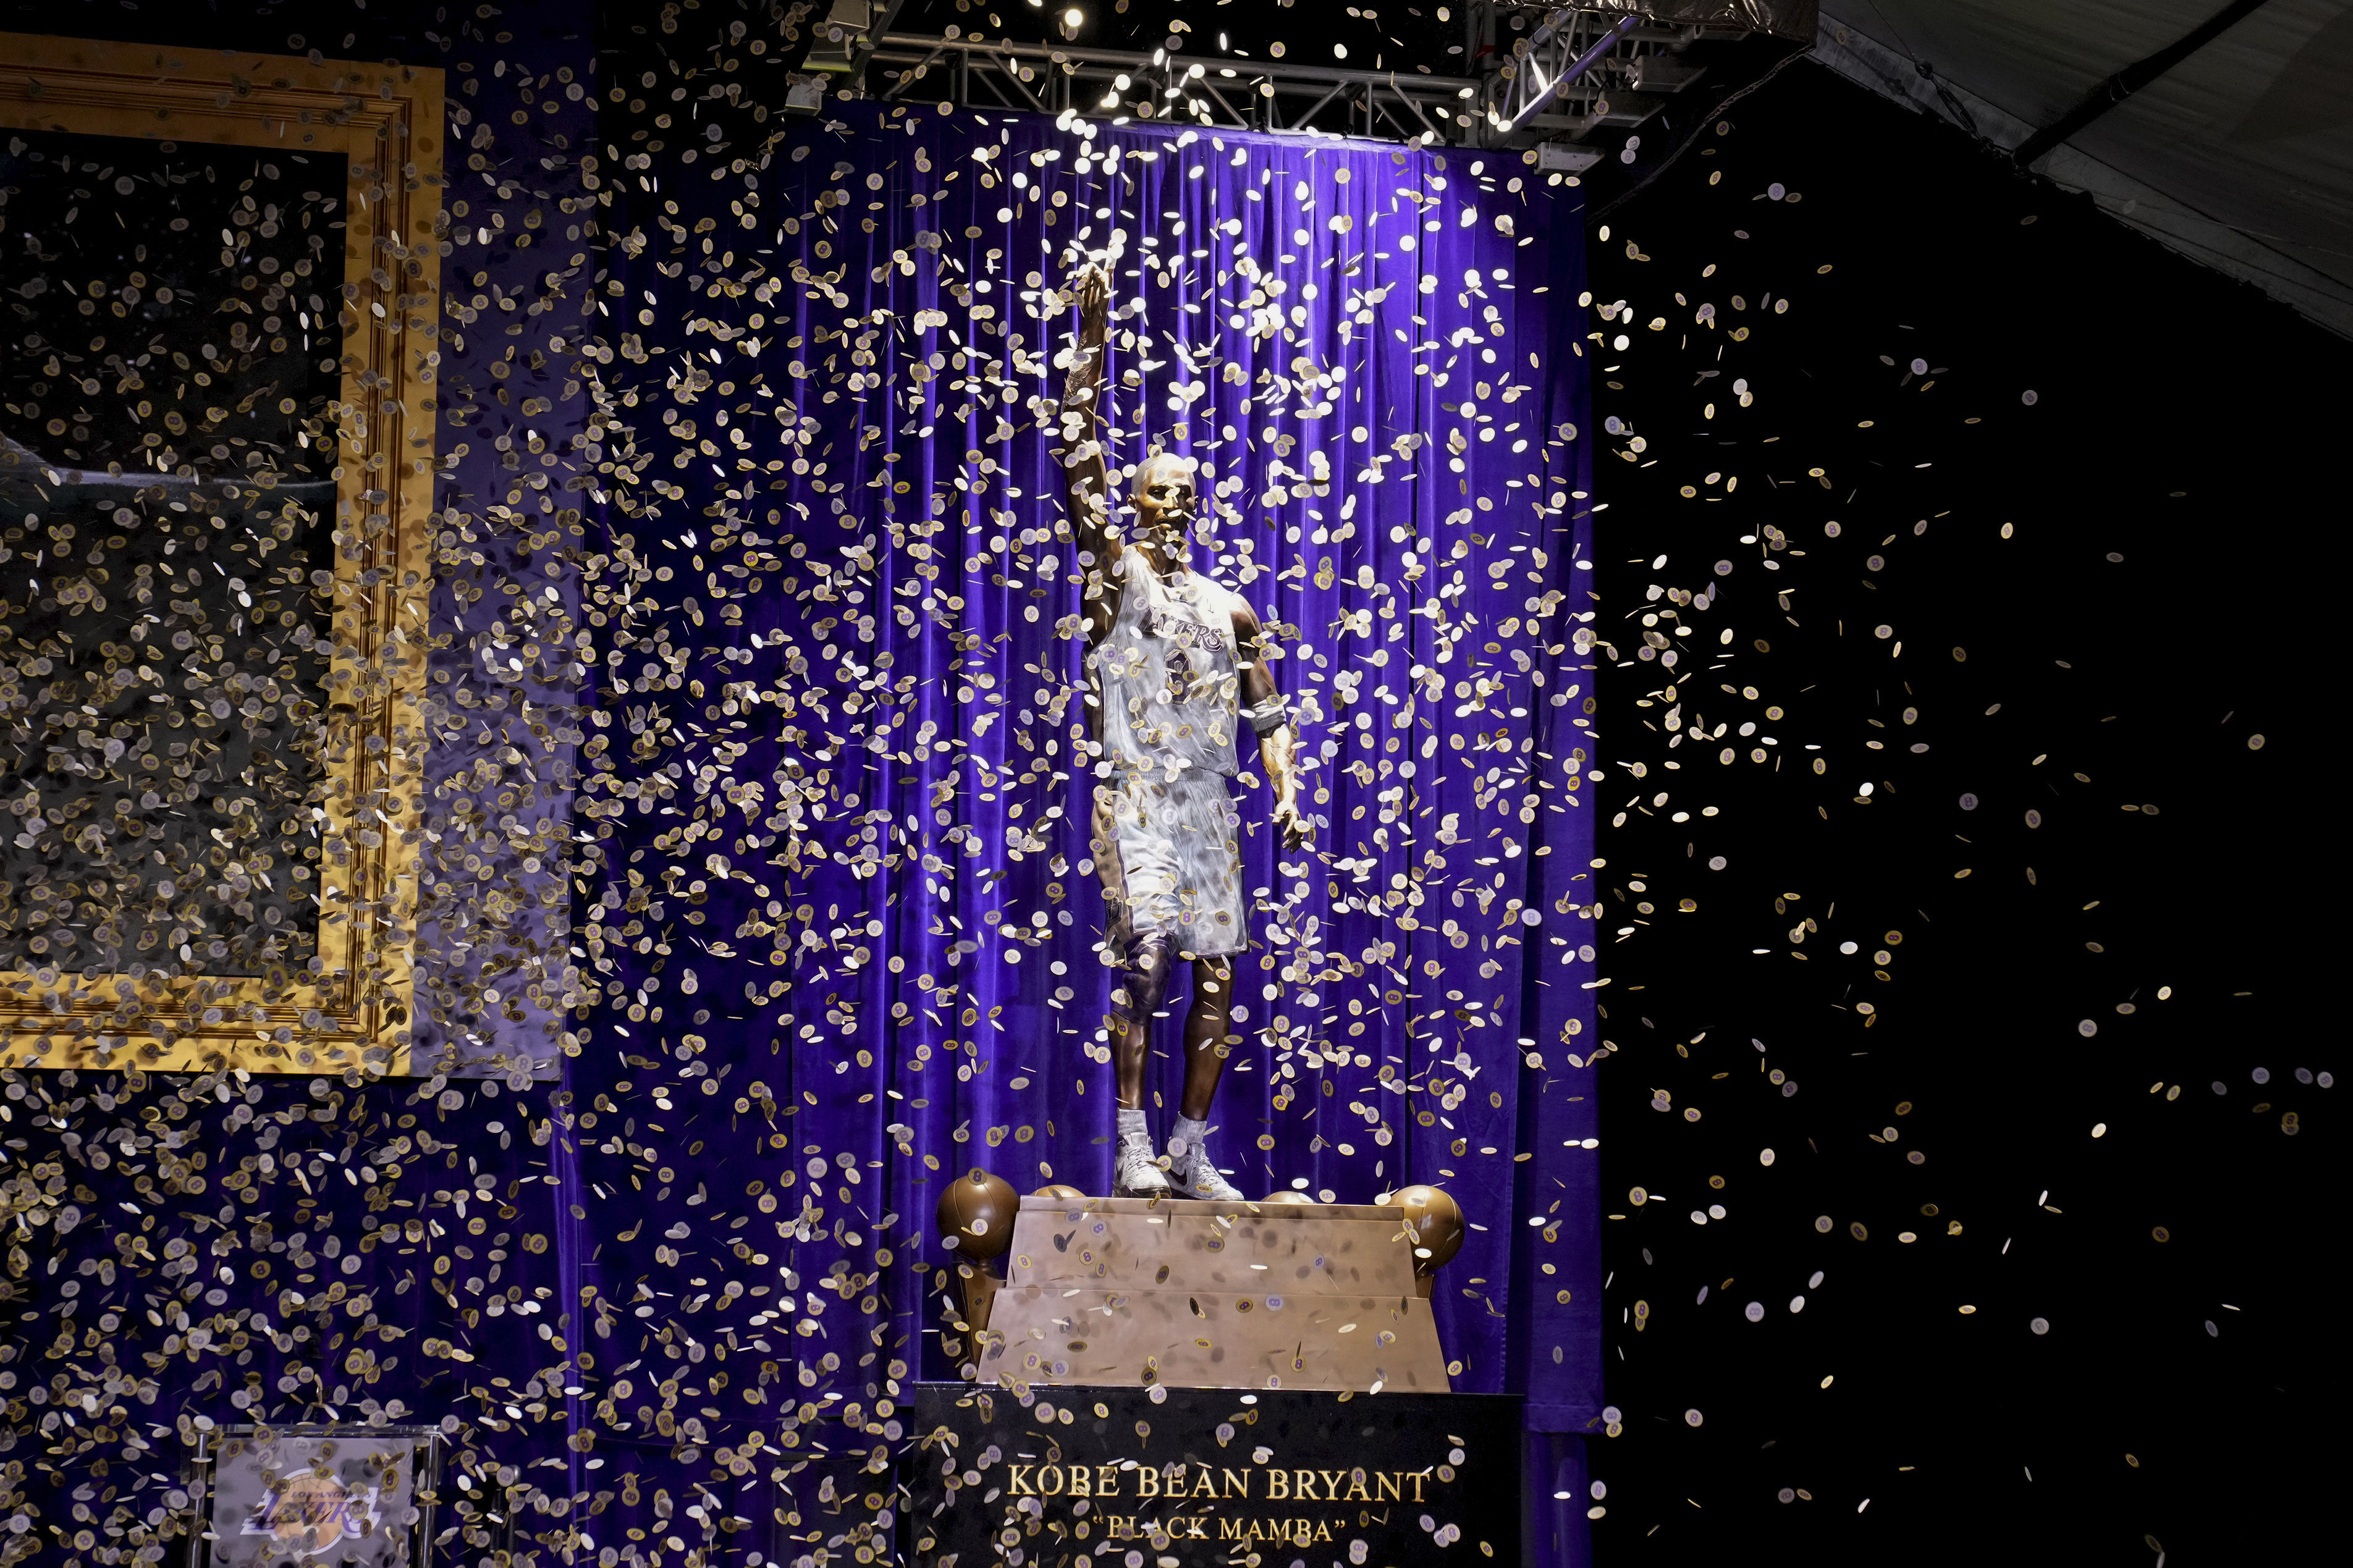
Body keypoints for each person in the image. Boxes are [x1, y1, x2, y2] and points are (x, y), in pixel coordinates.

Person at [1055, 255, 1309, 1200]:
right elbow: (1075, 459)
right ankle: (1130, 1137)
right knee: (1148, 955)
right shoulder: (1116, 577)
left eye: (1191, 491)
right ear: (1138, 499)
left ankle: (1189, 1146)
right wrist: (1090, 342)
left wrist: (1285, 790)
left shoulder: (1232, 607)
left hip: (1211, 806)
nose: (1181, 503)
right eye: (1164, 490)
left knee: (1216, 981)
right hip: (1138, 798)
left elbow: (1268, 709)